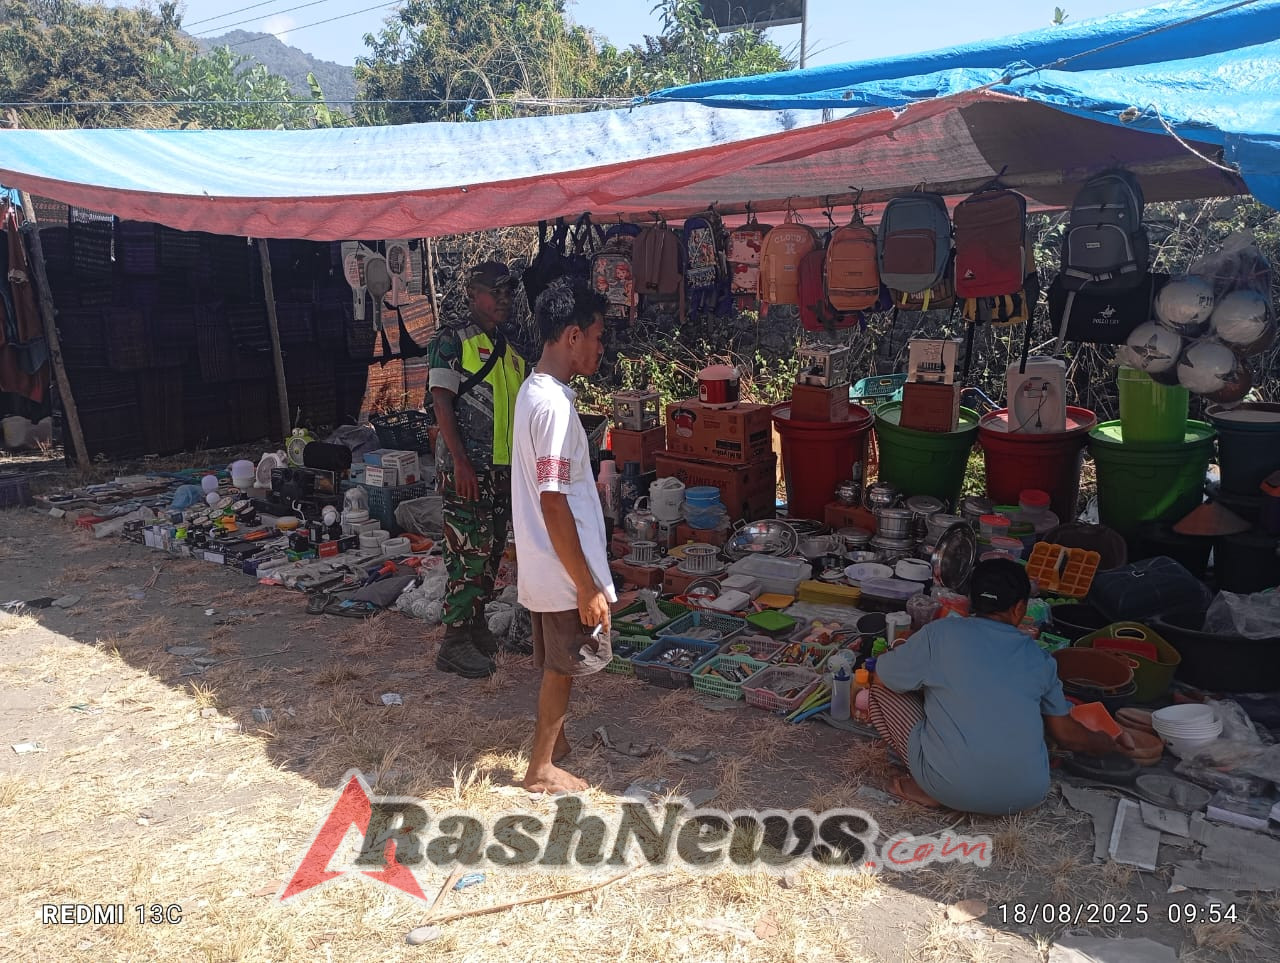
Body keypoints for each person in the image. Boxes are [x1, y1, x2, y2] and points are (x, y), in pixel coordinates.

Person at [869, 558, 1133, 814]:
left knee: (882, 690)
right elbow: (1066, 734)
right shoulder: (1039, 659)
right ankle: (948, 782)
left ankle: (931, 786)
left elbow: (882, 676)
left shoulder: (940, 633)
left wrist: (900, 654)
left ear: (970, 600)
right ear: (1019, 608)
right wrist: (1105, 742)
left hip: (948, 787)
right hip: (1026, 795)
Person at [510, 277, 615, 793]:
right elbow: (553, 499)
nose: (600, 347)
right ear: (572, 336)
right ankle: (541, 768)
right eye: (597, 336)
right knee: (563, 666)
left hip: (544, 557)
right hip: (560, 563)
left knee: (559, 661)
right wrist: (585, 583)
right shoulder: (553, 407)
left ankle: (559, 744)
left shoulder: (534, 393)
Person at [427, 261, 529, 678]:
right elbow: (441, 402)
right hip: (468, 469)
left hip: (501, 469)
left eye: (508, 293)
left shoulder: (509, 345)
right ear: (472, 295)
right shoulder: (453, 341)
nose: (503, 300)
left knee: (488, 552)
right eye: (495, 292)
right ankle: (453, 642)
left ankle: (475, 625)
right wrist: (463, 462)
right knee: (467, 552)